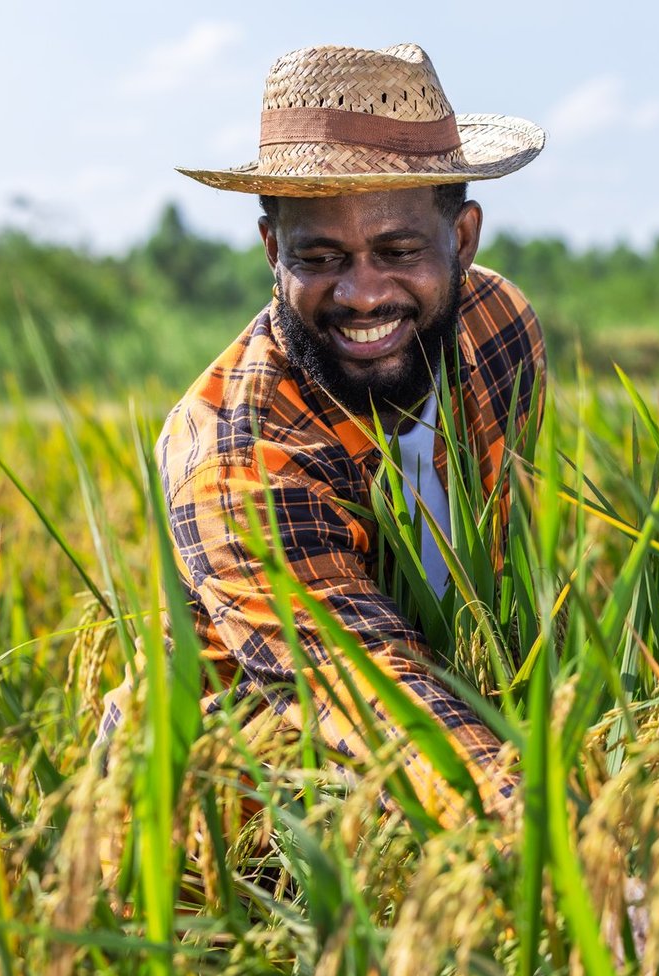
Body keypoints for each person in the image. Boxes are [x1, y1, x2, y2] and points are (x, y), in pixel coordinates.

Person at [100, 43, 546, 828]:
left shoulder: (498, 328)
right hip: (225, 854)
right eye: (320, 256)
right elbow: (367, 687)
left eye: (399, 251)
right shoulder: (239, 461)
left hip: (398, 811)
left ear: (464, 239)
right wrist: (570, 854)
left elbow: (499, 574)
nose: (362, 293)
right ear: (274, 252)